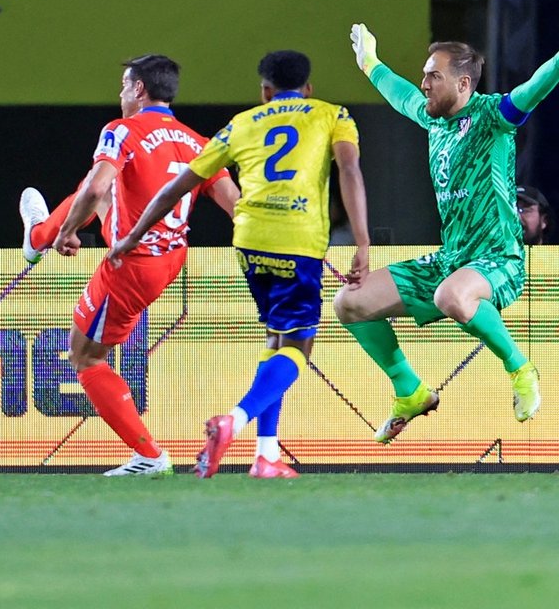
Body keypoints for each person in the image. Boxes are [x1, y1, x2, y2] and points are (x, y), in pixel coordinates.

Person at [334, 12, 559, 443]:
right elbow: (399, 94)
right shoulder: (433, 119)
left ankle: (521, 369)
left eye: (433, 76)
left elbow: (531, 91)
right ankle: (410, 392)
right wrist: (369, 62)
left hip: (497, 259)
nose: (424, 84)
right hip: (450, 260)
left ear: (463, 84)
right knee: (349, 303)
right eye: (425, 75)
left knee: (450, 295)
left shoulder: (492, 116)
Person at [110, 50, 370, 480]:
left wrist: (133, 235)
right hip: (298, 239)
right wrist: (362, 241)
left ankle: (266, 455)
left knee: (275, 337)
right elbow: (350, 170)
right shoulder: (332, 115)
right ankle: (234, 420)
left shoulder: (241, 124)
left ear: (265, 91)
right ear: (308, 88)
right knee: (298, 346)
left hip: (250, 241)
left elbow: (177, 187)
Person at [17, 55, 239, 477]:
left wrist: (69, 232)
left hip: (131, 262)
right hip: (172, 258)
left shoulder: (121, 130)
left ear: (139, 89)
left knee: (85, 356)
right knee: (98, 191)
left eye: (124, 85)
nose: (120, 94)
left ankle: (150, 456)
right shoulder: (199, 142)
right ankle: (38, 236)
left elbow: (99, 184)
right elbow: (235, 206)